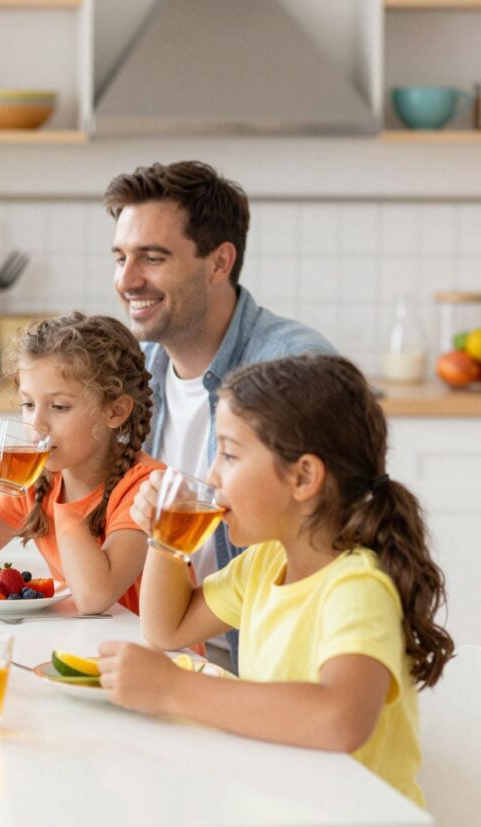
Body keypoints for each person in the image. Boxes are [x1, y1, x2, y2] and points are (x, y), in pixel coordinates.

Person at [26, 355, 454, 827]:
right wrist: (166, 538)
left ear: (303, 477)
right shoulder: (263, 564)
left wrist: (174, 689)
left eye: (228, 455)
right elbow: (166, 629)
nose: (210, 477)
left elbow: (340, 717)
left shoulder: (356, 586)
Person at [108, 161, 336, 664]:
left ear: (218, 263)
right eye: (120, 257)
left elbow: (336, 538)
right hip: (154, 635)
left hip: (251, 659)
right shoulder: (135, 371)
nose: (127, 280)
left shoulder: (292, 371)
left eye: (152, 257)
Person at [0, 312, 161, 616]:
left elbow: (95, 598)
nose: (36, 424)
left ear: (115, 411)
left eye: (59, 407)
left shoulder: (145, 487)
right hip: (87, 645)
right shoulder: (38, 482)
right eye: (28, 404)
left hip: (152, 655)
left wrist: (68, 508)